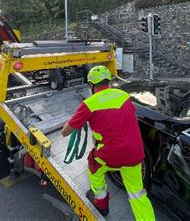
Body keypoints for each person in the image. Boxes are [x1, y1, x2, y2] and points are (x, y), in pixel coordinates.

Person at [61, 65, 155, 220]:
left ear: (91, 85)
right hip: (135, 154)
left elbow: (65, 132)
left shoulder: (89, 104)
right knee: (137, 193)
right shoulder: (124, 96)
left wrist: (73, 120)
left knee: (93, 166)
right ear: (109, 81)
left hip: (110, 156)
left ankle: (101, 202)